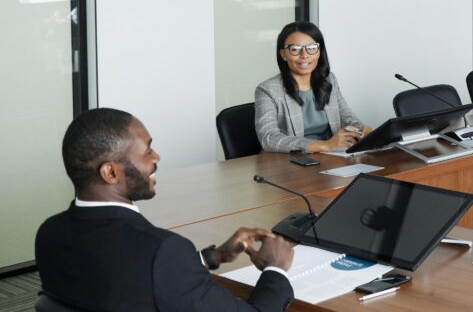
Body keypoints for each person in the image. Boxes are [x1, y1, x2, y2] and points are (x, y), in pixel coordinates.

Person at [35, 108, 295, 311]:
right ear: (111, 172)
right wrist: (276, 269)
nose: (156, 157)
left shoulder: (49, 233)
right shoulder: (162, 250)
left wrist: (212, 257)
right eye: (147, 151)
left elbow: (125, 278)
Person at [254, 21, 371, 153]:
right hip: (291, 162)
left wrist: (361, 131)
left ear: (319, 51)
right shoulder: (268, 90)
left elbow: (347, 118)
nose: (304, 55)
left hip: (332, 156)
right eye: (295, 49)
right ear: (283, 54)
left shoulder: (329, 80)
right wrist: (325, 145)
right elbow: (269, 138)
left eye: (311, 48)